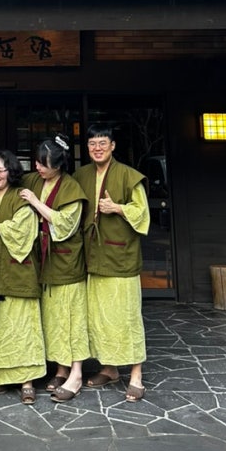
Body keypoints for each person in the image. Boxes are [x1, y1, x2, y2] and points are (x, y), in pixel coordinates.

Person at [73, 123, 150, 403]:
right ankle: (109, 368)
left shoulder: (129, 176)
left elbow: (142, 213)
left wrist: (117, 208)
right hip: (93, 257)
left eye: (102, 143)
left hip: (120, 257)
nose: (97, 148)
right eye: (92, 143)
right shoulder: (81, 175)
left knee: (127, 317)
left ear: (113, 146)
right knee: (100, 317)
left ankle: (136, 375)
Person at [18, 135, 88, 402]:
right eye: (37, 162)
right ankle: (61, 369)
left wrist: (36, 203)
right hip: (44, 261)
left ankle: (76, 372)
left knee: (72, 318)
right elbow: (12, 183)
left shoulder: (71, 188)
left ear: (57, 166)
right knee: (54, 318)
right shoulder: (35, 179)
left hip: (67, 261)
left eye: (43, 164)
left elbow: (66, 224)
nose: (37, 167)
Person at [0, 150, 45, 404]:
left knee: (24, 326)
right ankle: (3, 377)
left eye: (1, 170)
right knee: (0, 327)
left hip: (19, 271)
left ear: (11, 171)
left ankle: (27, 381)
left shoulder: (20, 196)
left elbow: (24, 230)